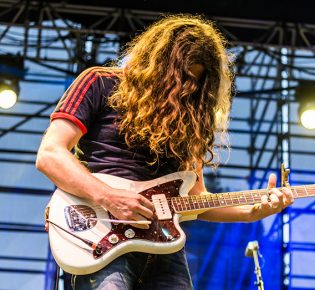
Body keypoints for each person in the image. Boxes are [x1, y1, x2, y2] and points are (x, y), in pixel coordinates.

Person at [36, 15, 294, 290]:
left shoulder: (190, 120)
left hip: (163, 241)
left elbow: (197, 199)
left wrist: (252, 212)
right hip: (100, 229)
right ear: (158, 64)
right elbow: (50, 154)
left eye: (197, 82)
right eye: (182, 77)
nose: (188, 88)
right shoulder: (100, 82)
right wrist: (109, 197)